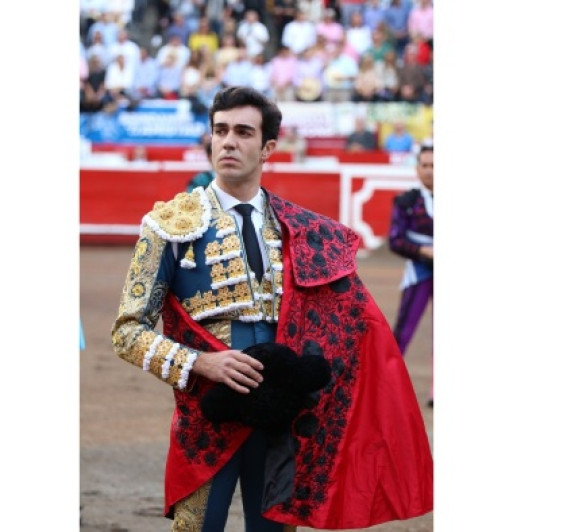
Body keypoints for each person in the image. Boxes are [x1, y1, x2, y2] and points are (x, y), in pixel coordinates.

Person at [110, 86, 433, 531]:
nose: (228, 142)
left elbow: (347, 326)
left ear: (268, 148)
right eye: (220, 130)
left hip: (282, 415)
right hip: (208, 411)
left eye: (243, 132)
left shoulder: (298, 228)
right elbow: (127, 330)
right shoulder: (169, 226)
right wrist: (200, 362)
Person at [387, 145, 434, 406]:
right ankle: (388, 386)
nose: (430, 171)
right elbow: (395, 240)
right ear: (417, 169)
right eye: (425, 165)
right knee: (403, 332)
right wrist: (424, 251)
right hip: (419, 269)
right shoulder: (407, 201)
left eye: (434, 166)